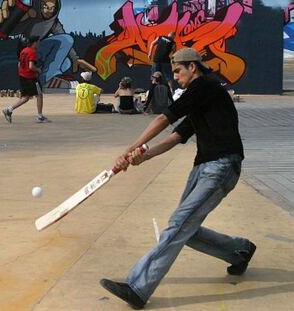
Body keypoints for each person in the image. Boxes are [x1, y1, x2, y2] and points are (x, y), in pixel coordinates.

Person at [100, 47, 256, 309]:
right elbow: (175, 137)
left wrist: (128, 149)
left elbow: (163, 119)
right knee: (188, 230)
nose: (176, 77)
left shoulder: (205, 87)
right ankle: (239, 251)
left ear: (193, 67)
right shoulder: (202, 98)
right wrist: (141, 157)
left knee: (178, 224)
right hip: (204, 168)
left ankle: (138, 287)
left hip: (222, 166)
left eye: (178, 71)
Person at [2, 35, 50, 123]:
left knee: (25, 97)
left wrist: (22, 73)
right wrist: (38, 70)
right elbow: (31, 66)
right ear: (34, 43)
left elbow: (19, 64)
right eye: (38, 42)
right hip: (31, 78)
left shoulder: (23, 51)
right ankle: (40, 116)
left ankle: (9, 110)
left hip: (23, 77)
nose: (39, 43)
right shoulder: (32, 52)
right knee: (39, 95)